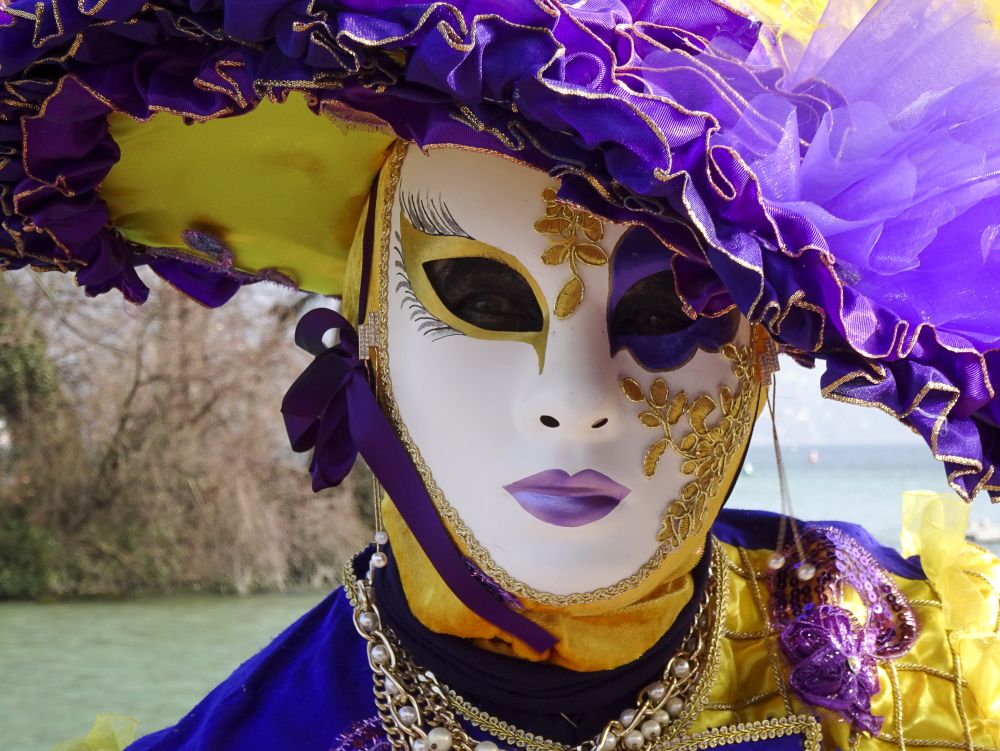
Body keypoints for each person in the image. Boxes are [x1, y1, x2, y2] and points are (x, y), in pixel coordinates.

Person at [3, 1, 998, 750]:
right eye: (479, 297)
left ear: (763, 341)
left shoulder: (939, 672)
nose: (572, 403)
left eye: (667, 312)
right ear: (368, 328)